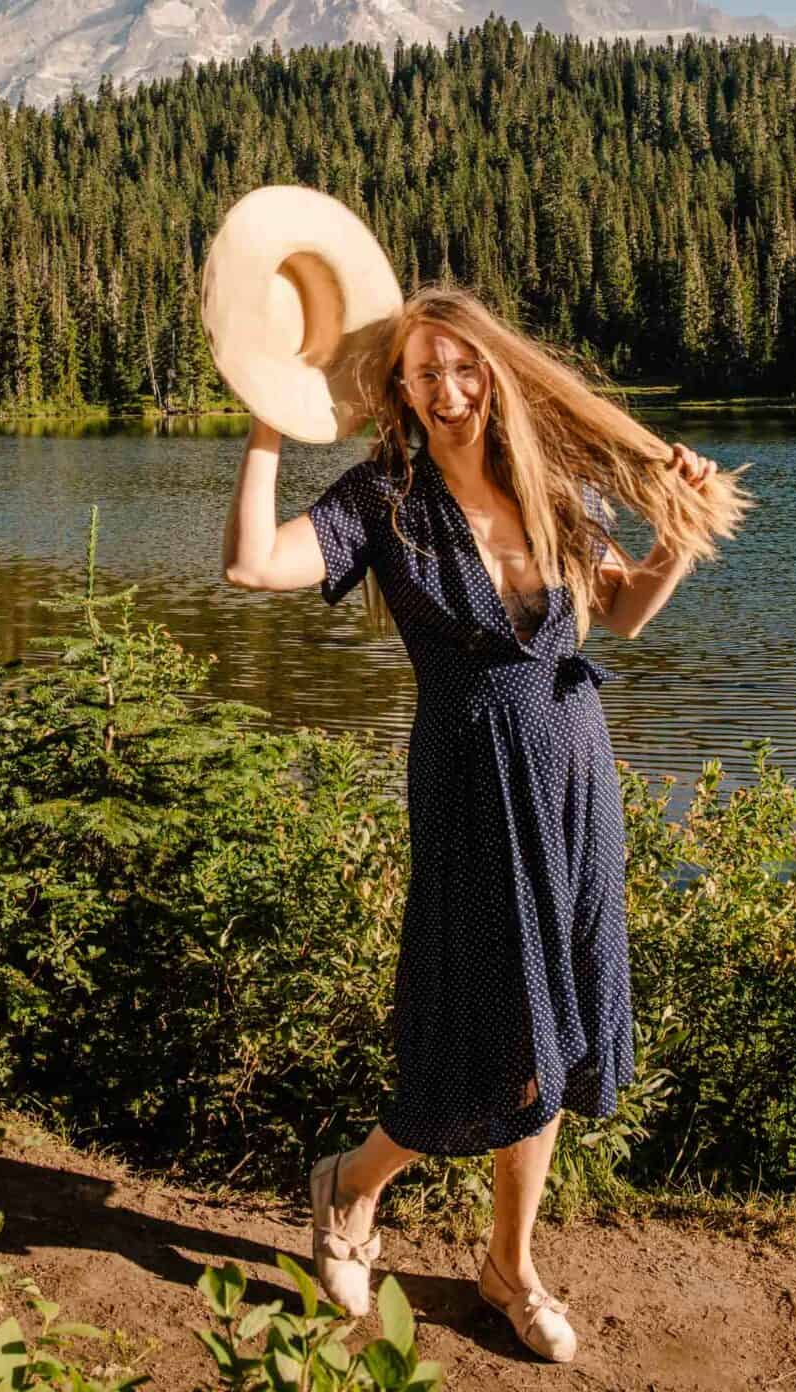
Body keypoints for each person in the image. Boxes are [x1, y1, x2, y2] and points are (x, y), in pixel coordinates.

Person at [221, 283, 750, 1366]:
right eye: (423, 371)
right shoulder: (382, 498)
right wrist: (267, 422)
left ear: (491, 369)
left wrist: (675, 533)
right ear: (399, 388)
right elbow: (250, 563)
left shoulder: (546, 482)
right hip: (468, 777)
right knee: (484, 1020)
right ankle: (351, 1183)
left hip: (571, 765)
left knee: (554, 1020)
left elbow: (625, 611)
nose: (447, 387)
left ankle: (509, 1262)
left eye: (462, 364)